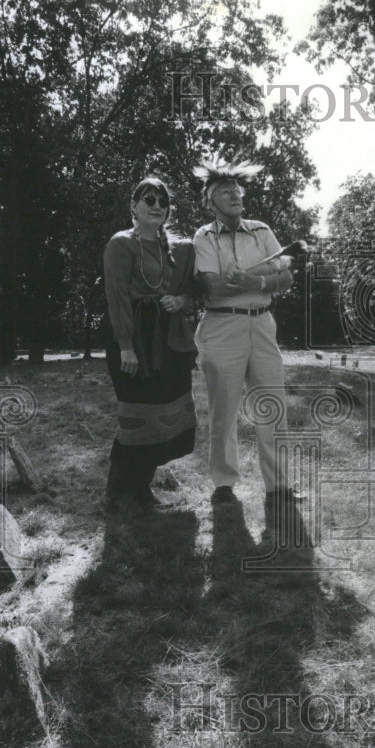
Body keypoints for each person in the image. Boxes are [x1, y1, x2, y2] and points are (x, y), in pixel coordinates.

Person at [192, 158, 296, 506]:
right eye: (225, 191)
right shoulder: (203, 237)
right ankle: (224, 484)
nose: (234, 195)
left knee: (272, 404)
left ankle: (279, 486)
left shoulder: (263, 231)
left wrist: (255, 281)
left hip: (263, 325)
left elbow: (286, 277)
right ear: (211, 201)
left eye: (237, 190)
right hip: (222, 327)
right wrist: (238, 283)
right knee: (224, 409)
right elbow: (211, 289)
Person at [103, 177, 197, 513]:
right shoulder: (120, 244)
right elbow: (116, 297)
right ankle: (116, 493)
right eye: (149, 199)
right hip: (133, 340)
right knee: (136, 415)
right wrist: (126, 345)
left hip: (168, 340)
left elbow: (195, 292)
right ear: (133, 207)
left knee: (161, 415)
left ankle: (142, 490)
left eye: (163, 201)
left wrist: (181, 300)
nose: (157, 205)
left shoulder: (181, 250)